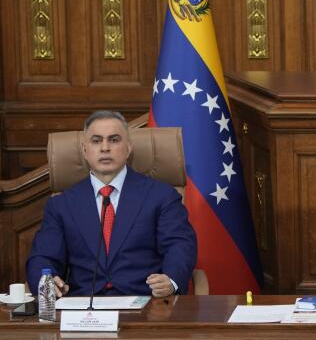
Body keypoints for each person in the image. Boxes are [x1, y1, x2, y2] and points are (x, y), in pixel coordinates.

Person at [27, 110, 197, 297]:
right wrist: (48, 282)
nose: (105, 148)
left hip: (147, 302)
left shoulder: (160, 195)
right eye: (96, 140)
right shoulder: (62, 204)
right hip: (84, 307)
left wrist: (171, 280)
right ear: (85, 150)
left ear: (129, 148)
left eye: (114, 140)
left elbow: (180, 244)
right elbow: (43, 256)